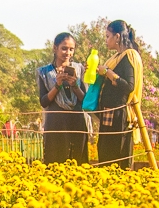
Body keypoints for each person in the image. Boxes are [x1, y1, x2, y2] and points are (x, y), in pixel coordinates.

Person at [95, 20, 143, 169]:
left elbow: (129, 86)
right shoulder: (116, 57)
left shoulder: (129, 55)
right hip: (109, 112)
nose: (106, 40)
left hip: (119, 115)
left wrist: (107, 72)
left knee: (116, 156)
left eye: (107, 36)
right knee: (105, 154)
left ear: (117, 37)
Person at [37, 32, 88, 165]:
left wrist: (75, 85)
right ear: (55, 48)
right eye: (64, 48)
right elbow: (44, 101)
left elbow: (84, 99)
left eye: (71, 49)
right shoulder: (44, 72)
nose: (68, 53)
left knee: (78, 163)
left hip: (77, 121)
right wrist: (57, 85)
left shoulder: (79, 69)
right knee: (55, 161)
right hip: (56, 122)